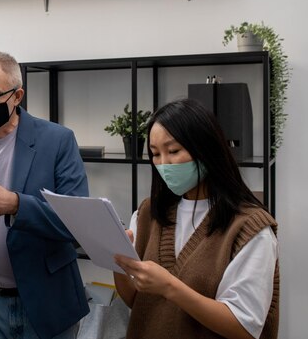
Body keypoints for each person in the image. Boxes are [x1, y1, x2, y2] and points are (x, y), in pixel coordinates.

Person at [0, 51, 90, 339]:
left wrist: (16, 205)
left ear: (17, 95)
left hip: (47, 304)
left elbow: (78, 223)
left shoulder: (58, 141)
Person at [113, 98, 279, 339]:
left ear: (206, 149)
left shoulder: (249, 228)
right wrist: (118, 263)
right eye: (155, 154)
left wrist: (170, 286)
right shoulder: (148, 213)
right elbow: (138, 303)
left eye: (173, 151)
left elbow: (244, 327)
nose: (163, 164)